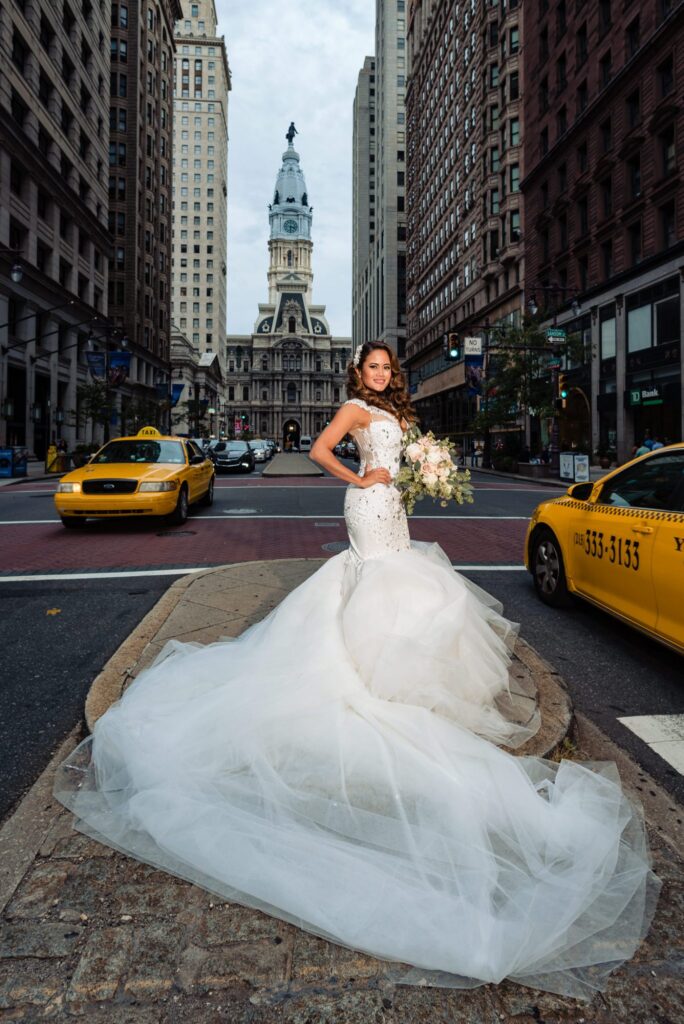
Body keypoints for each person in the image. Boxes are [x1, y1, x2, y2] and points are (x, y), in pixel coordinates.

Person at [53, 342, 659, 1000]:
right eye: (371, 368)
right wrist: (359, 481)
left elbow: (399, 455)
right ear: (356, 374)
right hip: (369, 507)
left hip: (394, 505)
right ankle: (364, 680)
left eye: (384, 368)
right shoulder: (351, 407)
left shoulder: (393, 408)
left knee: (404, 591)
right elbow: (319, 451)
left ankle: (391, 674)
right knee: (379, 585)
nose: (378, 374)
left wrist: (419, 472)